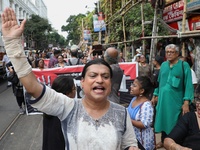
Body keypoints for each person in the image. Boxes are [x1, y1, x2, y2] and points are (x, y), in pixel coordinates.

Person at [1, 7, 139, 150]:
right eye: (93, 75)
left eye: (105, 76)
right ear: (82, 83)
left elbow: (129, 144)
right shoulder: (68, 107)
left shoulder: (122, 113)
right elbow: (32, 87)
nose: (99, 80)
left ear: (110, 83)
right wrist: (12, 44)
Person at [151, 44, 194, 149]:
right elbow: (159, 82)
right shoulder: (164, 65)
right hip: (162, 100)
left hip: (176, 101)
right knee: (162, 119)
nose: (169, 54)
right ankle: (162, 140)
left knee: (175, 122)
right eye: (167, 52)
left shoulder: (184, 65)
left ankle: (174, 142)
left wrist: (186, 102)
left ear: (177, 54)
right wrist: (155, 94)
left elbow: (188, 85)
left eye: (172, 52)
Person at [43, 76, 76, 150]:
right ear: (68, 93)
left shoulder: (50, 108)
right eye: (74, 89)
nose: (75, 91)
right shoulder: (65, 113)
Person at [164, 85, 200, 150]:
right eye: (198, 99)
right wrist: (178, 148)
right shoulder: (189, 118)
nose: (199, 105)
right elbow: (167, 141)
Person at [127, 76, 155, 150]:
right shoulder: (133, 99)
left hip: (143, 141)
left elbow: (144, 124)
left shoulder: (146, 105)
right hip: (133, 138)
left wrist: (128, 120)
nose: (131, 87)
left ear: (142, 90)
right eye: (132, 84)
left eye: (134, 85)